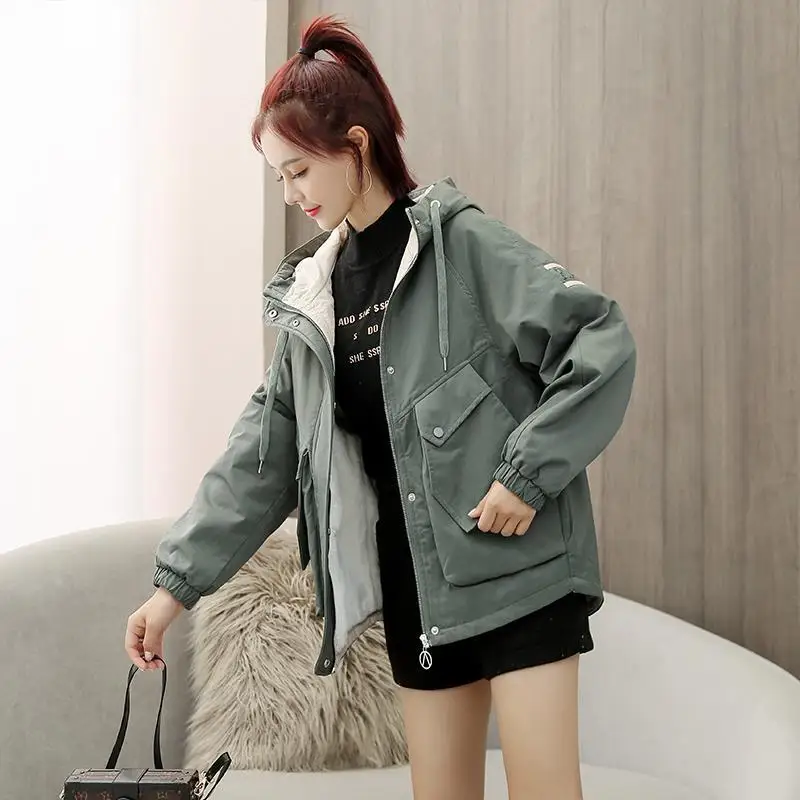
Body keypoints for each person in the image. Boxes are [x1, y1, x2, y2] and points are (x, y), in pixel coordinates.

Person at [125, 14, 636, 800]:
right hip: (418, 592)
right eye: (279, 178)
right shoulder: (313, 302)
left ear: (356, 146)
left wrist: (525, 475)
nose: (291, 194)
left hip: (521, 577)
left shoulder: (462, 246)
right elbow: (259, 458)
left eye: (299, 170)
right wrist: (172, 590)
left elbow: (599, 340)